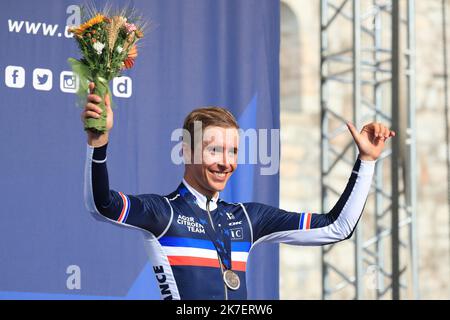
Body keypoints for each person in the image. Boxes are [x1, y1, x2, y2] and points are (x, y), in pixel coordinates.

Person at [82, 83, 395, 300]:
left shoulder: (248, 218)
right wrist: (99, 142)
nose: (225, 163)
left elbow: (337, 227)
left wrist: (366, 161)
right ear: (186, 152)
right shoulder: (164, 213)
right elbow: (102, 204)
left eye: (232, 152)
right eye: (214, 150)